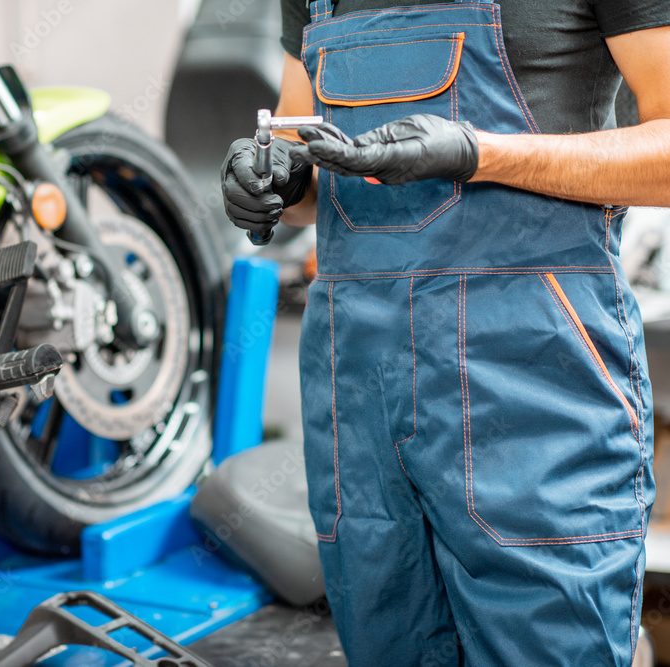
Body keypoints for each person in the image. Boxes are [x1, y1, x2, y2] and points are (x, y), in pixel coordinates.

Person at [220, 1, 670, 664]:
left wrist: (478, 154)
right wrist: (278, 181)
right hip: (358, 394)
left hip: (533, 379)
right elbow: (300, 145)